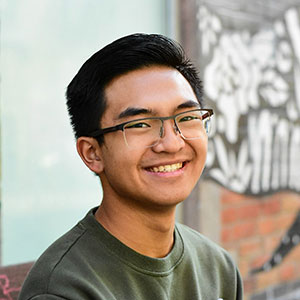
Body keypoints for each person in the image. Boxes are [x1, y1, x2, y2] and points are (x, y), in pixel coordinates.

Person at [19, 33, 243, 299]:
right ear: (92, 153)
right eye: (139, 124)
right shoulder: (65, 290)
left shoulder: (218, 268)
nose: (171, 143)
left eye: (187, 117)